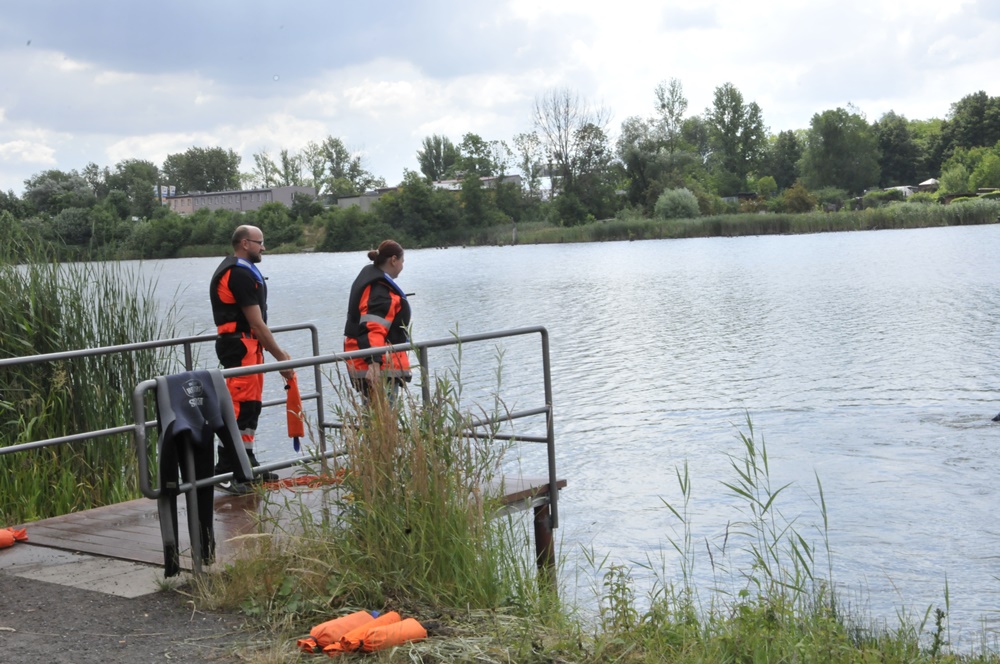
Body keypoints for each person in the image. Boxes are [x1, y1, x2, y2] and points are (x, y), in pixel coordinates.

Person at [209, 225, 293, 492]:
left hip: (247, 345)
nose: (263, 248)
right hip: (240, 346)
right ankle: (231, 470)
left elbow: (255, 327)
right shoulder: (238, 274)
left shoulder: (241, 270)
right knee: (239, 408)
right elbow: (256, 324)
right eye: (260, 242)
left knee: (250, 407)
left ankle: (246, 460)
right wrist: (281, 358)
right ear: (245, 243)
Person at [343, 240, 412, 401]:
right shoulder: (380, 292)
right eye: (402, 261)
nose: (402, 266)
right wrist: (374, 364)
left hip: (365, 362)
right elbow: (373, 328)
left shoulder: (371, 279)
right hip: (380, 367)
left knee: (374, 418)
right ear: (393, 260)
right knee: (383, 419)